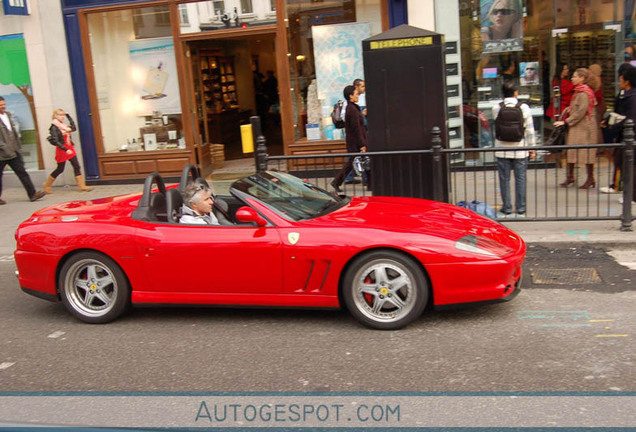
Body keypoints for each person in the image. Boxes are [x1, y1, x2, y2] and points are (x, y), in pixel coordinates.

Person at [492, 81, 536, 217]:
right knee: (520, 179)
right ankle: (521, 208)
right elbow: (529, 129)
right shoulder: (524, 108)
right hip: (520, 149)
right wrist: (532, 148)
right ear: (515, 92)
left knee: (504, 179)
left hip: (502, 149)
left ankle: (507, 208)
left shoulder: (496, 108)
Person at [554, 68, 599, 189]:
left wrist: (565, 122)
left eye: (574, 76)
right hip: (578, 126)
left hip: (585, 127)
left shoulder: (584, 93)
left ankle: (590, 178)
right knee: (571, 151)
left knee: (587, 153)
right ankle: (570, 176)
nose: (572, 79)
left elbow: (580, 112)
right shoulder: (578, 91)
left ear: (582, 78)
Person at [0, 96, 46, 205]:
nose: (3, 107)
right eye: (1, 105)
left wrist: (18, 148)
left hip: (15, 152)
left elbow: (13, 133)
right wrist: (6, 149)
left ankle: (32, 194)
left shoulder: (7, 115)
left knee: (22, 173)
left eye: (4, 104)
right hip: (2, 154)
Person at [601, 65, 636, 199]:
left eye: (620, 79)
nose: (619, 82)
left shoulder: (632, 97)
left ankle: (631, 195)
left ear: (627, 81)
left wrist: (616, 126)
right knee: (620, 161)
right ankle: (625, 191)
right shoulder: (622, 95)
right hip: (623, 135)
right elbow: (618, 112)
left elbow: (630, 118)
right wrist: (608, 119)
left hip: (630, 136)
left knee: (628, 164)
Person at [43, 109, 93, 193]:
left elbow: (74, 128)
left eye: (63, 115)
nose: (62, 117)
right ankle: (47, 184)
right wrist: (65, 150)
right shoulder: (54, 127)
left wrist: (68, 116)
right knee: (60, 169)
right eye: (60, 115)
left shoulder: (64, 125)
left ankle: (82, 186)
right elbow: (56, 141)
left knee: (76, 166)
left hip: (70, 147)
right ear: (55, 116)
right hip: (62, 149)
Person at [331, 85, 367, 193]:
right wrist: (362, 144)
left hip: (354, 141)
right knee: (351, 163)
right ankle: (336, 181)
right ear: (350, 96)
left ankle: (337, 182)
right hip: (355, 142)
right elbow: (356, 129)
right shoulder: (352, 110)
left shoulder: (352, 107)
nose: (358, 96)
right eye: (356, 94)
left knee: (352, 163)